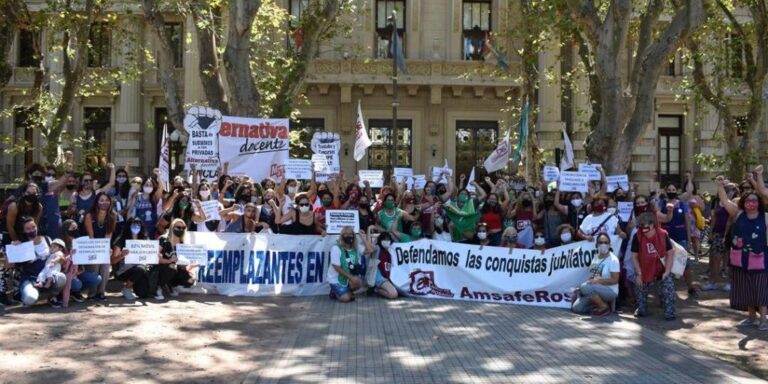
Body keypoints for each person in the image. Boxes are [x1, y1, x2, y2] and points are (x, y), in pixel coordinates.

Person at [716, 174, 768, 330]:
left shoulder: (765, 217)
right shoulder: (738, 214)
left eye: (754, 200)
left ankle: (763, 320)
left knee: (760, 289)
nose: (751, 203)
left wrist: (758, 178)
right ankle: (751, 317)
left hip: (759, 259)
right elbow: (725, 202)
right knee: (745, 289)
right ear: (743, 203)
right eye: (748, 200)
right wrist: (719, 186)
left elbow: (765, 193)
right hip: (739, 259)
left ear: (759, 203)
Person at [631, 212, 676, 320]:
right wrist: (639, 273)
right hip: (645, 269)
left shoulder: (663, 234)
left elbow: (670, 253)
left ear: (653, 225)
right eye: (641, 228)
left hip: (661, 268)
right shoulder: (637, 236)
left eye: (646, 228)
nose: (643, 231)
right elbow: (634, 256)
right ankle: (641, 307)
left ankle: (669, 311)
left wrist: (667, 271)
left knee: (668, 286)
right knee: (639, 286)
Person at [13, 217, 66, 307]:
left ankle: (52, 297)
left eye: (33, 227)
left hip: (48, 276)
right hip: (30, 278)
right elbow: (12, 264)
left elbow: (61, 257)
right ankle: (25, 292)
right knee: (30, 299)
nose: (32, 230)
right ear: (23, 231)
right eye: (28, 229)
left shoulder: (47, 239)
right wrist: (14, 248)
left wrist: (60, 259)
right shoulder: (22, 245)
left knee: (61, 277)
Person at [571, 234, 620, 316]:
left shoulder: (613, 260)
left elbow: (615, 280)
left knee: (585, 287)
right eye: (600, 242)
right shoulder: (595, 258)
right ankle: (598, 303)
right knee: (577, 308)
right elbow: (593, 276)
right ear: (597, 244)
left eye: (606, 242)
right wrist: (584, 285)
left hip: (610, 291)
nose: (603, 244)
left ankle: (603, 307)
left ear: (609, 244)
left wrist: (598, 281)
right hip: (595, 290)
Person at [83, 192, 116, 301]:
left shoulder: (112, 216)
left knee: (106, 266)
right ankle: (92, 293)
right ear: (97, 202)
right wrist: (97, 251)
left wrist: (107, 250)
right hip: (91, 247)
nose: (104, 202)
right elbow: (91, 236)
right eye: (101, 200)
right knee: (95, 265)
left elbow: (108, 236)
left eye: (107, 200)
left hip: (103, 246)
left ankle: (101, 292)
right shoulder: (89, 215)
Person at [328, 226, 374, 303]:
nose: (348, 236)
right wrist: (351, 278)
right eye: (345, 234)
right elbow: (337, 268)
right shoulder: (336, 248)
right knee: (346, 299)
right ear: (342, 236)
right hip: (336, 279)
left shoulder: (356, 247)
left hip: (349, 278)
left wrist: (363, 237)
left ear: (353, 235)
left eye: (350, 234)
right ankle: (334, 292)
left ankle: (346, 291)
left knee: (358, 282)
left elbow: (370, 250)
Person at [111, 217, 151, 300]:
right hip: (123, 271)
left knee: (143, 293)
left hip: (141, 270)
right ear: (128, 226)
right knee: (140, 268)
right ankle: (127, 288)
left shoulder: (145, 239)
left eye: (138, 225)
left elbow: (150, 255)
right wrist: (122, 255)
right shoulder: (121, 240)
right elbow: (113, 261)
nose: (136, 227)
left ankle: (132, 285)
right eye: (133, 225)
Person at [155, 219, 197, 300]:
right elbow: (155, 258)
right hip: (160, 268)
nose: (181, 229)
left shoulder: (182, 243)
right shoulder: (163, 239)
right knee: (171, 267)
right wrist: (169, 261)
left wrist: (190, 266)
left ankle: (169, 285)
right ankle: (158, 287)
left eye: (183, 228)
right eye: (178, 227)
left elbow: (182, 264)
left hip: (174, 268)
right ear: (172, 227)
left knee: (190, 280)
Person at [372, 231, 398, 299]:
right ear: (380, 240)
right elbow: (369, 248)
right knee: (393, 294)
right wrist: (369, 230)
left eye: (388, 239)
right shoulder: (377, 249)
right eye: (384, 239)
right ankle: (376, 290)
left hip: (391, 277)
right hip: (380, 277)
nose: (386, 241)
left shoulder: (393, 250)